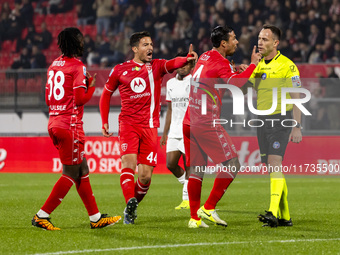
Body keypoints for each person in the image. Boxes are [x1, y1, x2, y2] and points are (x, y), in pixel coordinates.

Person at [99, 31, 197, 224]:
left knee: (144, 176)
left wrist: (186, 58)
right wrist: (104, 121)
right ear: (135, 48)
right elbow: (106, 94)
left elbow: (173, 63)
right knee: (128, 163)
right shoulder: (120, 69)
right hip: (128, 124)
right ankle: (130, 202)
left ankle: (131, 208)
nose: (150, 48)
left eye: (151, 44)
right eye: (145, 44)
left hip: (150, 127)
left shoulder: (157, 66)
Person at [32, 27, 121, 231]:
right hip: (69, 125)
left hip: (54, 122)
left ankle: (95, 217)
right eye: (80, 39)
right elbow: (81, 99)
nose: (83, 42)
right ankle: (42, 215)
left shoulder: (53, 65)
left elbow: (47, 98)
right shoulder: (78, 67)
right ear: (74, 42)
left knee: (82, 169)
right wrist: (90, 86)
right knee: (70, 173)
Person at [182, 26, 261, 228]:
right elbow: (238, 86)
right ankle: (208, 208)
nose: (237, 42)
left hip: (189, 120)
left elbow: (219, 75)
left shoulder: (206, 57)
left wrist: (236, 70)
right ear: (224, 43)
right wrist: (253, 66)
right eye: (234, 39)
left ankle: (194, 219)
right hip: (205, 121)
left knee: (197, 171)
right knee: (233, 165)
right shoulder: (220, 62)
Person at [244, 24, 302, 227]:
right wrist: (247, 69)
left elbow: (297, 98)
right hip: (262, 121)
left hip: (281, 119)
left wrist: (296, 126)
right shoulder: (259, 66)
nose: (260, 42)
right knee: (272, 167)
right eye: (259, 38)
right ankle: (285, 217)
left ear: (276, 43)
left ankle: (272, 212)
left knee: (275, 164)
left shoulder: (288, 66)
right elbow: (246, 89)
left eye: (265, 39)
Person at [160, 52, 194, 210]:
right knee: (171, 164)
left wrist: (197, 59)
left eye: (186, 64)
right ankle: (188, 186)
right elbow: (170, 109)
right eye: (180, 65)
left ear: (191, 66)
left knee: (189, 165)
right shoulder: (170, 83)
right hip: (174, 130)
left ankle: (186, 199)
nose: (182, 67)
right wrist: (165, 132)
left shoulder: (194, 81)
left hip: (189, 129)